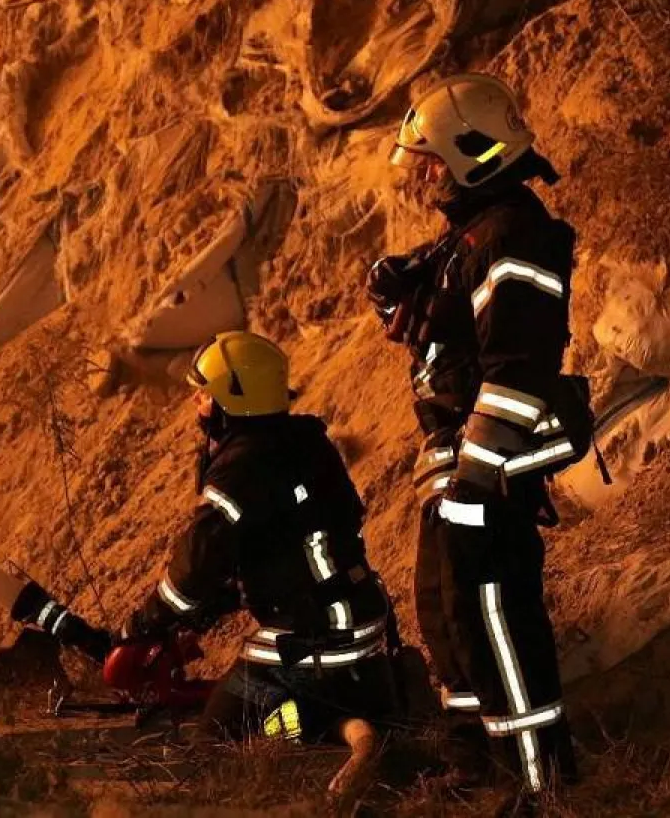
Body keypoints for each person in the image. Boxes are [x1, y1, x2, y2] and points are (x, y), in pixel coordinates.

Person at [366, 73, 589, 798]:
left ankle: (542, 780)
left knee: (497, 611)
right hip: (459, 462)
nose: (424, 177)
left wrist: (477, 480)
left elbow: (517, 365)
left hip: (491, 463)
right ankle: (474, 758)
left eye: (431, 161)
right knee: (447, 611)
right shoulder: (470, 232)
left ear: (474, 153)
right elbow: (451, 338)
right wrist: (403, 285)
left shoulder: (515, 235)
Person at [120, 330, 401, 746]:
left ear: (229, 398)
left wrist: (145, 623)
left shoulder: (241, 464)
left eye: (203, 394)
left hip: (314, 649)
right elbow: (277, 556)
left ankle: (309, 728)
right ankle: (350, 715)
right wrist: (204, 617)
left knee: (213, 741)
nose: (196, 404)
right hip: (365, 633)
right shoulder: (306, 443)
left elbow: (197, 562)